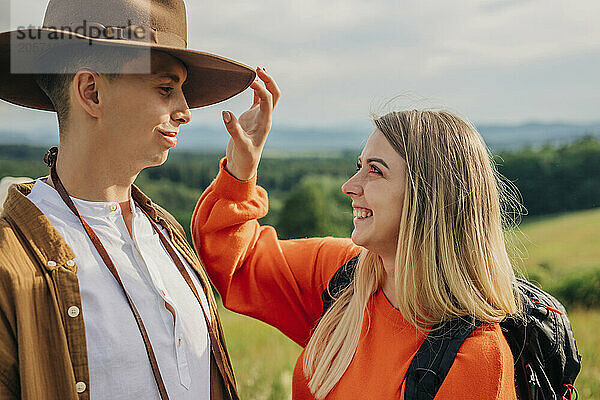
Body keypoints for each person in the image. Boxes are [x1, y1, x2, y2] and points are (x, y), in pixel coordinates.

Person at [0, 0, 271, 399]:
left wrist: (239, 177)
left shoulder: (167, 235)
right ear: (91, 93)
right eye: (166, 88)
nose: (185, 111)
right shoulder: (12, 263)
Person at [191, 89, 521, 397]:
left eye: (375, 171)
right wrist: (240, 171)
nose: (350, 186)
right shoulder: (341, 275)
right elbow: (237, 261)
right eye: (359, 166)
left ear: (429, 197)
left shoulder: (477, 359)